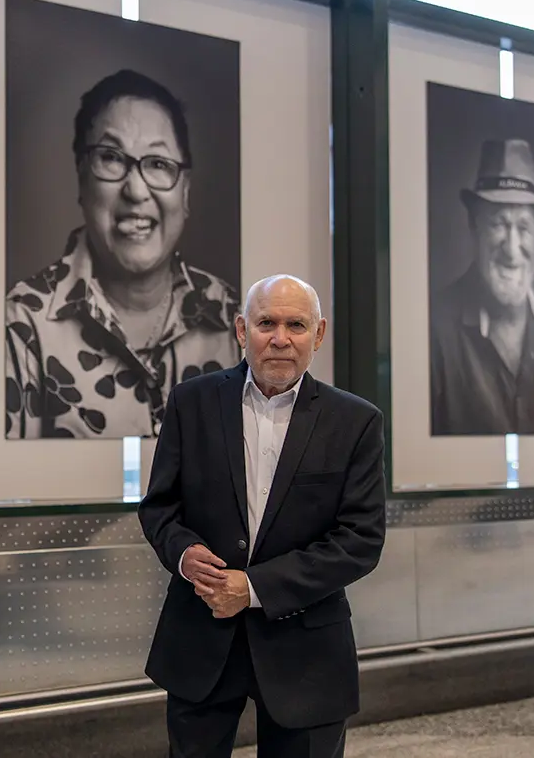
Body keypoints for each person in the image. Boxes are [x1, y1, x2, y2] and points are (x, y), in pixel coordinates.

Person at [138, 274, 386, 758]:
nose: (279, 338)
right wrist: (185, 554)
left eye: (296, 324)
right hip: (201, 637)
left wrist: (251, 589)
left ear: (318, 335)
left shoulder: (356, 421)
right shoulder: (192, 403)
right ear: (240, 329)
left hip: (306, 649)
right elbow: (160, 507)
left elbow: (360, 540)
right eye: (265, 322)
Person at [5, 69, 238, 440]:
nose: (136, 190)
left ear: (186, 192)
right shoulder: (22, 324)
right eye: (112, 158)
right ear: (82, 178)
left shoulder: (235, 319)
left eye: (159, 164)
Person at [429, 138, 534, 435]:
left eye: (524, 228)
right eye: (499, 224)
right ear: (474, 226)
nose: (512, 250)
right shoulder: (436, 327)